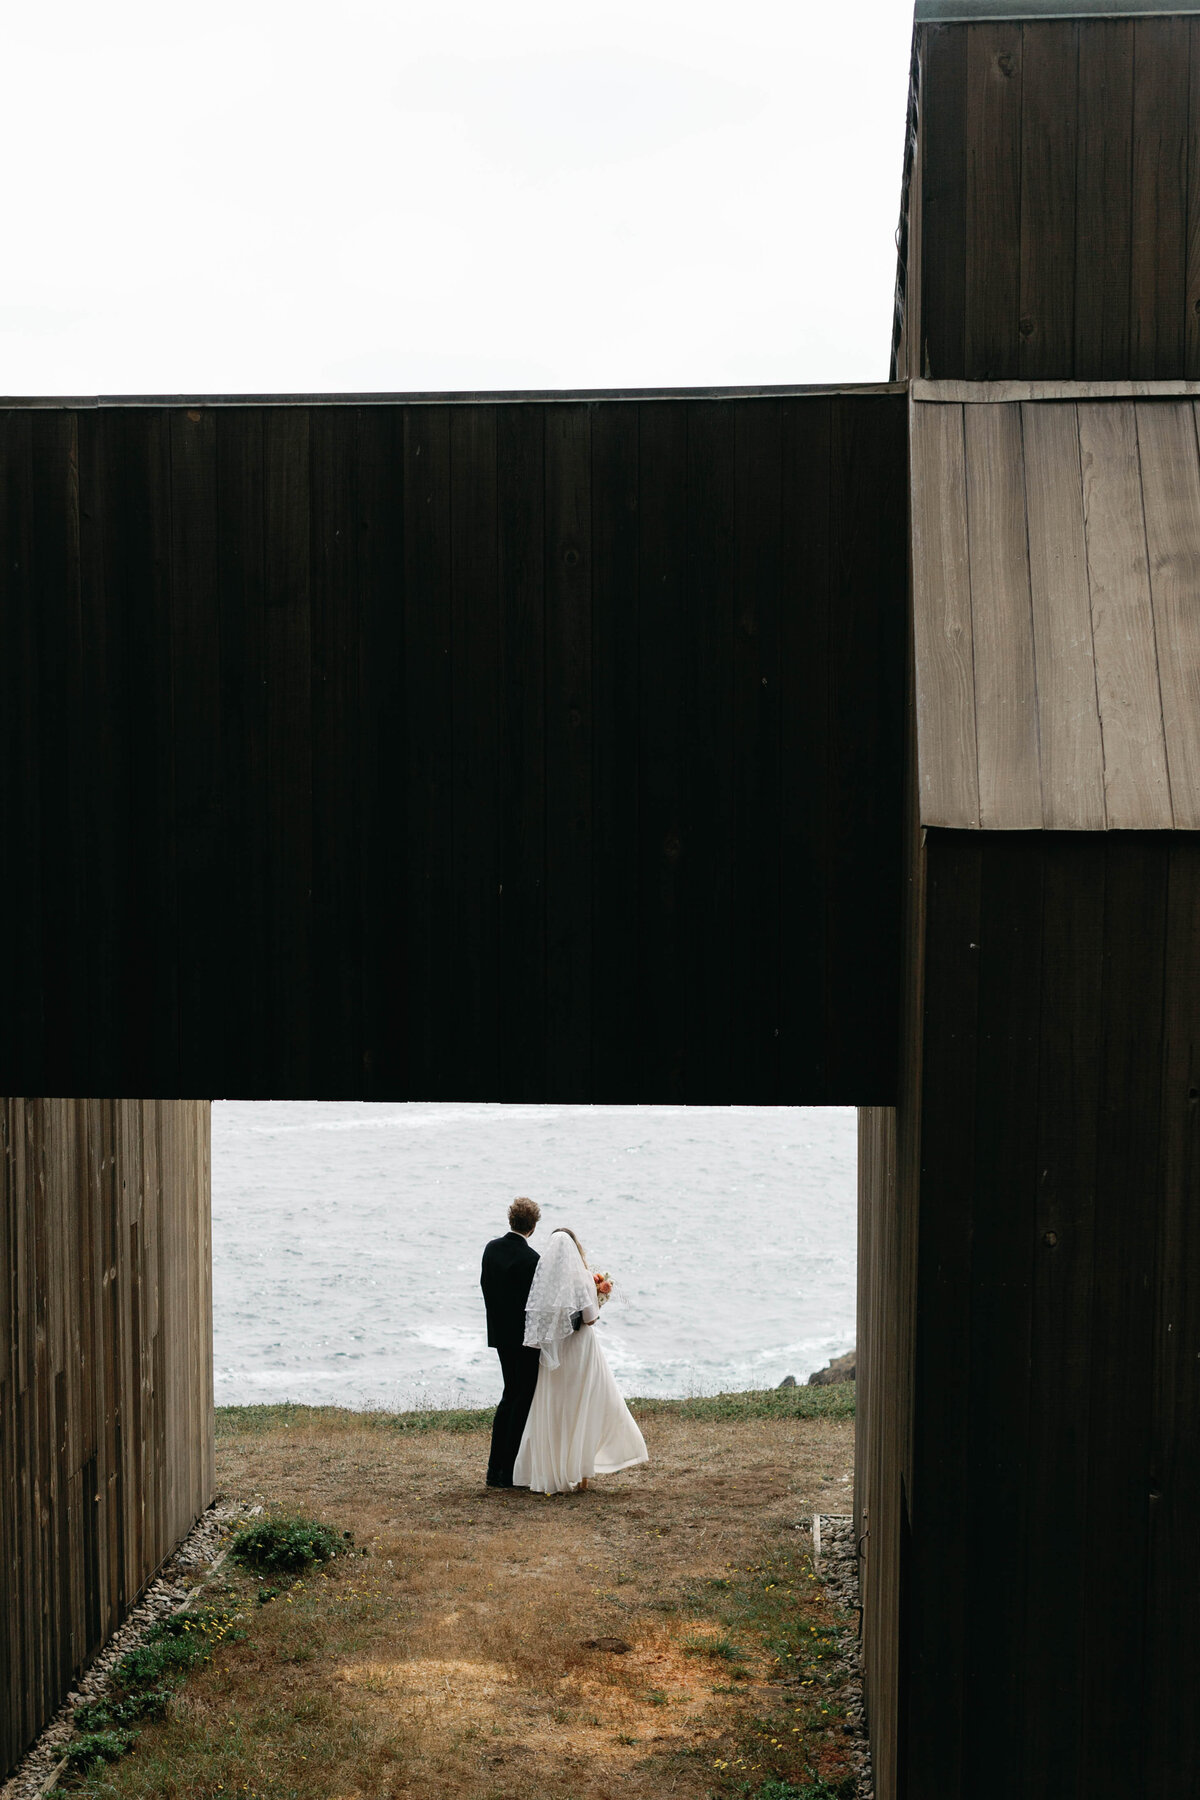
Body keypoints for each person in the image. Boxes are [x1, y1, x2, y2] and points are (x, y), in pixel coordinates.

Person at [513, 1226, 648, 1495]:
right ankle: (580, 1469)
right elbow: (590, 1318)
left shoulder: (544, 1282)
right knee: (583, 1405)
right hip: (581, 1350)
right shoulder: (583, 1277)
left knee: (557, 1406)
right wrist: (601, 1298)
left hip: (555, 1352)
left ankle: (554, 1471)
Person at [480, 1196, 543, 1488]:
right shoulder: (532, 1261)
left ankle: (495, 1469)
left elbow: (486, 1286)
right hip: (524, 1340)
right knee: (521, 1399)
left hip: (501, 1335)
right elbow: (536, 1305)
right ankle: (508, 1470)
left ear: (511, 1220)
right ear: (532, 1227)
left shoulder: (491, 1249)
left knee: (509, 1396)